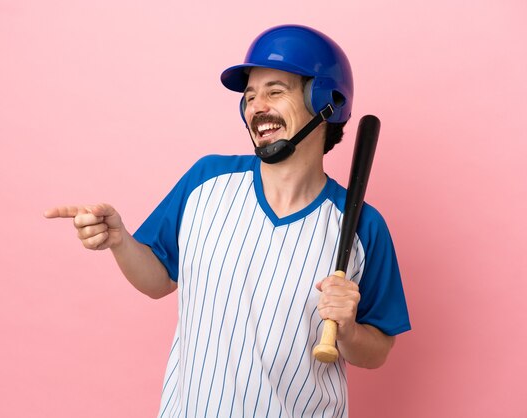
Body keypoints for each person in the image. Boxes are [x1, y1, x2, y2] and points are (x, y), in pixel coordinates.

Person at [45, 24, 410, 417]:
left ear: (325, 100)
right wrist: (120, 240)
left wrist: (350, 330)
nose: (256, 106)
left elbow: (377, 353)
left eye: (275, 91)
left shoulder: (362, 227)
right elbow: (158, 281)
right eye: (249, 96)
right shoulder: (206, 182)